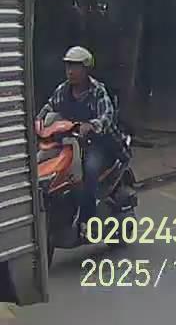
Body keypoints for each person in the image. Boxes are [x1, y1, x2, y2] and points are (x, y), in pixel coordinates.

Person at [36, 47, 125, 234]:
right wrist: (38, 122)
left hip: (98, 143)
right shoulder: (63, 90)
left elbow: (107, 116)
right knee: (40, 162)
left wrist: (91, 125)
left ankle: (87, 220)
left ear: (86, 69)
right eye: (68, 66)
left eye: (75, 66)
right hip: (70, 141)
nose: (70, 71)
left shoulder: (97, 91)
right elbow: (49, 107)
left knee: (89, 170)